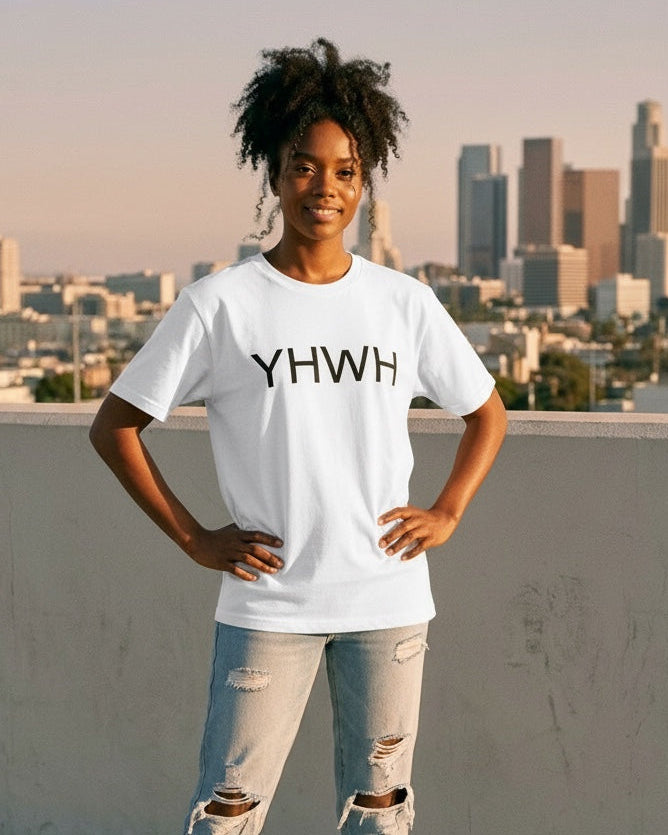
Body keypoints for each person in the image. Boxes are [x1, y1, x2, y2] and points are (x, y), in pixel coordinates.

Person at [89, 38, 507, 835]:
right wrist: (193, 536)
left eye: (345, 169)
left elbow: (486, 412)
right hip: (268, 603)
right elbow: (116, 426)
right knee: (225, 813)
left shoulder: (403, 302)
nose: (325, 185)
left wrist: (446, 512)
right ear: (275, 172)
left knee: (380, 813)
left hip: (386, 597)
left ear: (364, 180)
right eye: (304, 165)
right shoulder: (222, 304)